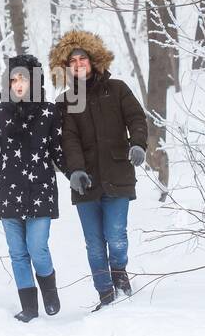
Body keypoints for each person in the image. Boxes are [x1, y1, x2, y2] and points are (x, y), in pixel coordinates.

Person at [48, 30, 148, 310]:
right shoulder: (65, 102)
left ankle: (119, 274)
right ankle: (105, 293)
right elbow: (67, 139)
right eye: (72, 62)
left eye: (83, 59)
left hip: (118, 174)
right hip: (85, 181)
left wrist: (138, 145)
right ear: (66, 68)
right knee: (94, 243)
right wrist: (75, 171)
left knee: (116, 236)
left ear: (93, 60)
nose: (78, 64)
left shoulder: (117, 89)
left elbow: (136, 118)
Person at [0, 55, 65, 321]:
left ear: (34, 81)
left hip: (41, 190)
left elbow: (60, 152)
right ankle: (29, 308)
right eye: (14, 79)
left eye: (23, 78)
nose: (18, 84)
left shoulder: (49, 112)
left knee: (37, 248)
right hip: (8, 192)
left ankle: (50, 291)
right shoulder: (0, 112)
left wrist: (77, 173)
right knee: (18, 253)